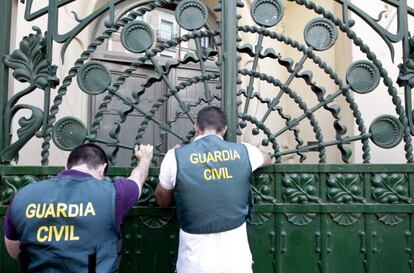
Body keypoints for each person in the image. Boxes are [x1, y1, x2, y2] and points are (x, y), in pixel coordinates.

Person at [155, 106, 272, 273]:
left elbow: (162, 200)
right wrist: (250, 150)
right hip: (236, 264)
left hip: (193, 264)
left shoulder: (175, 157)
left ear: (196, 128)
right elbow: (267, 158)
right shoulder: (245, 152)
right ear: (224, 129)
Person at [4, 143, 153, 273]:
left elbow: (14, 250)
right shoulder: (115, 193)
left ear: (66, 167)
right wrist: (145, 159)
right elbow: (138, 178)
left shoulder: (23, 195)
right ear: (102, 169)